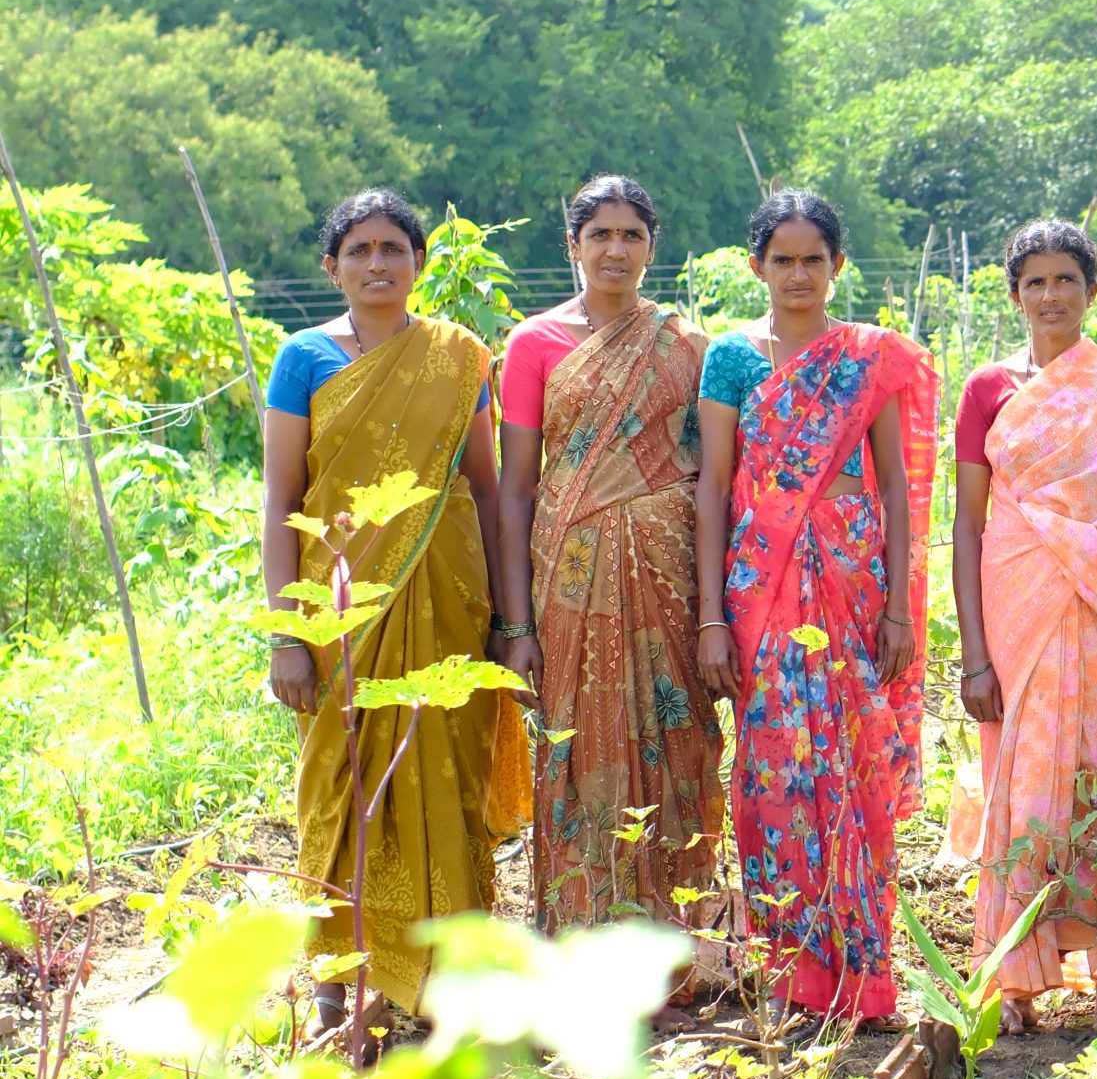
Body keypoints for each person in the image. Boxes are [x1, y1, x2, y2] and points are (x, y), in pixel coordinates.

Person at [261, 188, 526, 1034]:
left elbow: (487, 491)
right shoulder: (304, 358)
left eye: (394, 249)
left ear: (418, 263)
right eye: (360, 250)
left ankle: (448, 978)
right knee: (342, 780)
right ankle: (340, 977)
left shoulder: (458, 356)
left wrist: (508, 622)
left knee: (446, 776)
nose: (378, 264)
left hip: (449, 595)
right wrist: (291, 639)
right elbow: (280, 498)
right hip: (340, 609)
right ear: (331, 266)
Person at [694, 190, 936, 1026]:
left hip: (851, 572)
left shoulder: (868, 357)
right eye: (782, 259)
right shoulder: (730, 358)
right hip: (761, 579)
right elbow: (715, 487)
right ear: (756, 264)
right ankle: (793, 975)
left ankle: (863, 980)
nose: (799, 274)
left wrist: (901, 607)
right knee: (774, 779)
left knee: (853, 772)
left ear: (838, 266)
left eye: (814, 259)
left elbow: (898, 489)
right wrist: (712, 616)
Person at [493, 175, 722, 960]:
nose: (616, 249)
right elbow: (516, 488)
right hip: (569, 574)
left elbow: (714, 473)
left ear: (652, 247)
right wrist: (515, 622)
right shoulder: (533, 345)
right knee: (576, 749)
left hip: (670, 574)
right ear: (573, 246)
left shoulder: (689, 346)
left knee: (679, 738)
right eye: (601, 234)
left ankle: (678, 944)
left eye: (631, 235)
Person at [952, 221, 1097, 1035]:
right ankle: (1016, 972)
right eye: (1035, 282)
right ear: (1015, 295)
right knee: (1023, 794)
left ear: (1092, 291)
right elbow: (968, 523)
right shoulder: (986, 389)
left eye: (1066, 280)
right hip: (1016, 601)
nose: (1050, 296)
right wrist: (974, 654)